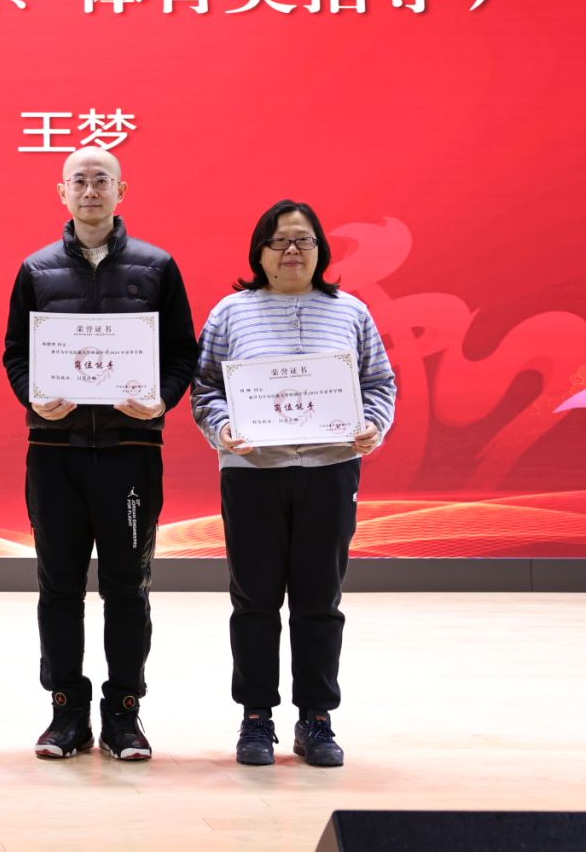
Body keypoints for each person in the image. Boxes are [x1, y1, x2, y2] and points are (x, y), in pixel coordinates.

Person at [0, 148, 198, 761]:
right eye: (79, 181)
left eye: (101, 180)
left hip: (130, 451)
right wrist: (35, 395)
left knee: (128, 588)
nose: (90, 191)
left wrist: (161, 400)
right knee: (58, 586)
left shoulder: (157, 267)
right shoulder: (36, 270)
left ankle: (124, 713)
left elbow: (182, 354)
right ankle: (66, 712)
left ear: (121, 190)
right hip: (54, 452)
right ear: (62, 192)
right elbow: (16, 354)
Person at [191, 199, 395, 768]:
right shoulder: (231, 312)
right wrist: (222, 429)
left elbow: (379, 383)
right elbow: (205, 387)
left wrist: (373, 425)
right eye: (279, 240)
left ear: (320, 250)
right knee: (253, 599)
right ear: (259, 251)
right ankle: (256, 717)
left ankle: (316, 719)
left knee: (319, 600)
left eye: (304, 240)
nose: (291, 251)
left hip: (330, 470)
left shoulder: (351, 312)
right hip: (253, 473)